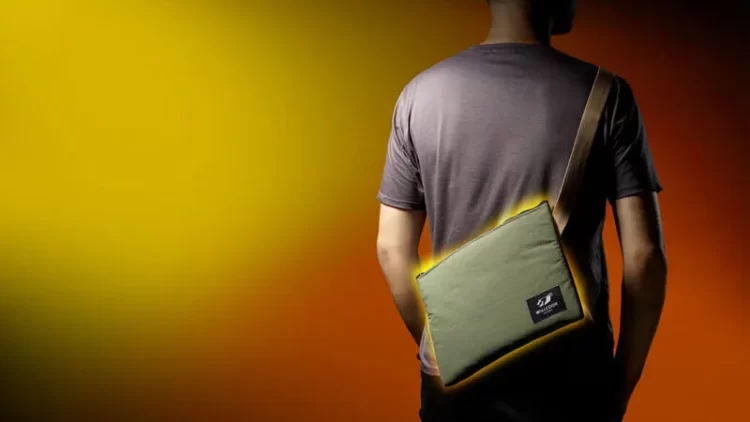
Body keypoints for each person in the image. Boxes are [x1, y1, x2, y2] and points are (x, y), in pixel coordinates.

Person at [375, 0, 668, 421]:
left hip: (457, 387)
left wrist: (454, 343)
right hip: (572, 379)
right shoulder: (608, 96)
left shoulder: (418, 96)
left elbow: (391, 249)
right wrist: (620, 386)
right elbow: (644, 258)